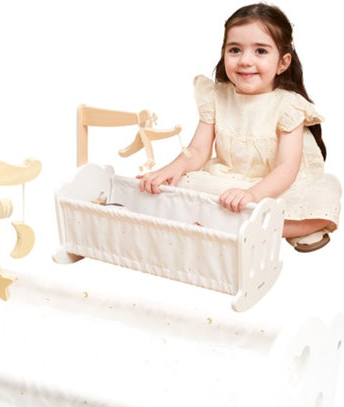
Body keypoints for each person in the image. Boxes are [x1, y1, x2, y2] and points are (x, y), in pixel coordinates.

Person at [139, 3, 341, 252]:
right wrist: (174, 167)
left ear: (283, 62)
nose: (245, 61)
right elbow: (198, 151)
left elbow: (286, 169)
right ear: (223, 53)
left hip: (276, 185)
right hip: (230, 180)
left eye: (260, 51)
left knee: (323, 197)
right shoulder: (216, 96)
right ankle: (244, 223)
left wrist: (253, 195)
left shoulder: (289, 106)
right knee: (180, 186)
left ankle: (240, 224)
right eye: (235, 50)